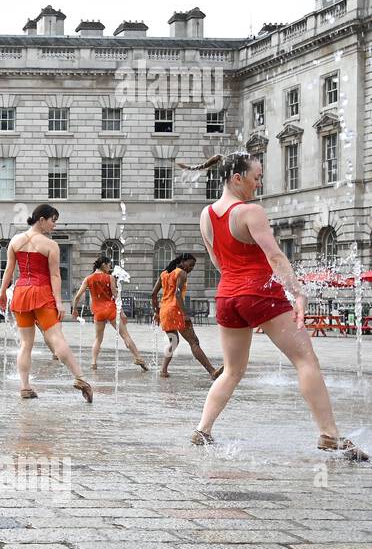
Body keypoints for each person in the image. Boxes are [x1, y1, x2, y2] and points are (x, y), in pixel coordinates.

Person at [183, 153, 366, 460]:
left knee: (232, 370)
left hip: (227, 296)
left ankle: (202, 430)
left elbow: (217, 260)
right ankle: (330, 434)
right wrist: (298, 293)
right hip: (260, 292)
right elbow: (275, 256)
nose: (260, 183)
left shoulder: (206, 215)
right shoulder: (249, 212)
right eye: (256, 177)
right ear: (237, 177)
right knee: (306, 360)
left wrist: (243, 297)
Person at [0, 204, 93, 402]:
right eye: (53, 220)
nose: (54, 225)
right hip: (42, 294)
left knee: (25, 344)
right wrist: (58, 303)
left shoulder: (15, 240)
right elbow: (55, 276)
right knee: (57, 339)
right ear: (41, 219)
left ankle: (24, 387)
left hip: (21, 293)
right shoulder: (50, 245)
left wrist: (2, 294)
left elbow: (9, 270)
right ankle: (80, 378)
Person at [71, 256, 149, 371]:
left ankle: (93, 363)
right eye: (108, 265)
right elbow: (116, 296)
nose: (110, 267)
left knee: (98, 339)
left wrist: (74, 309)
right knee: (125, 335)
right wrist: (122, 313)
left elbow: (77, 296)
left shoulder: (88, 279)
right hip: (111, 309)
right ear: (103, 265)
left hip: (98, 312)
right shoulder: (110, 278)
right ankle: (138, 357)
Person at [151, 253, 221, 379]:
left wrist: (156, 312)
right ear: (182, 262)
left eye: (193, 266)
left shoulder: (164, 274)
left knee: (173, 341)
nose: (191, 268)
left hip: (165, 312)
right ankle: (212, 371)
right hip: (175, 311)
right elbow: (178, 294)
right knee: (194, 342)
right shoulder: (181, 273)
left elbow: (153, 294)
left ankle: (163, 370)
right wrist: (184, 314)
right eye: (190, 265)